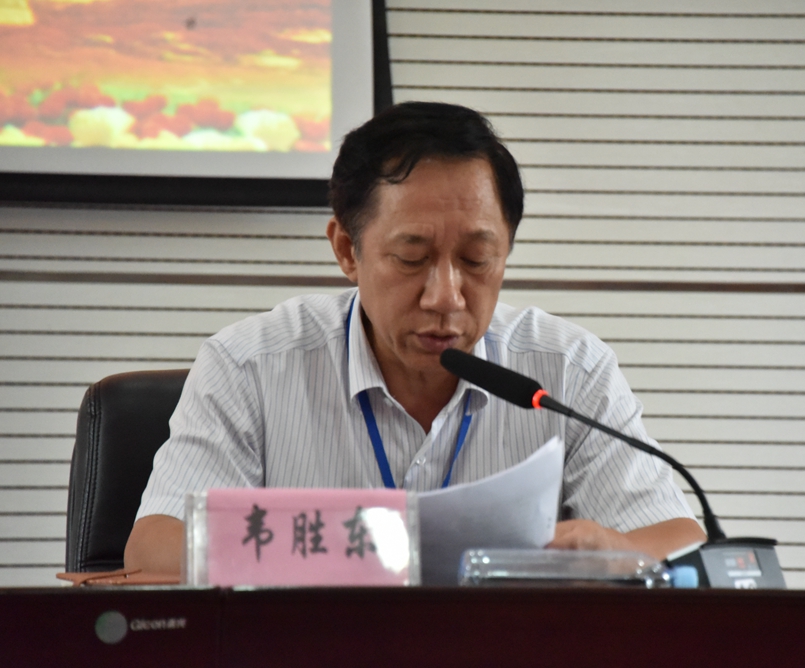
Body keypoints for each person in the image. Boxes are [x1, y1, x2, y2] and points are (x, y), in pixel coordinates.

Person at [124, 102, 706, 575]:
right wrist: (360, 552)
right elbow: (154, 547)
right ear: (347, 250)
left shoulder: (568, 371)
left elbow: (682, 540)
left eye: (476, 260)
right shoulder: (249, 365)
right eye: (411, 258)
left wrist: (612, 552)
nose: (445, 296)